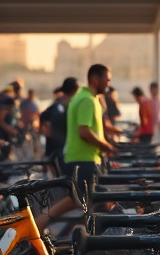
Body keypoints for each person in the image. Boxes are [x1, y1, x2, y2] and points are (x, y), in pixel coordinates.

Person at [63, 64, 115, 203]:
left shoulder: (84, 97)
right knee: (86, 200)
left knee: (83, 202)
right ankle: (41, 220)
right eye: (107, 80)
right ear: (95, 80)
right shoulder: (87, 100)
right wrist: (105, 145)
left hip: (80, 158)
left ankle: (43, 219)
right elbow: (84, 132)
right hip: (83, 160)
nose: (109, 84)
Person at [39, 77, 78, 174]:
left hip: (58, 146)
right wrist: (46, 131)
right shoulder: (65, 105)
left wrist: (44, 130)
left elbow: (43, 116)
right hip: (60, 146)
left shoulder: (59, 104)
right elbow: (44, 116)